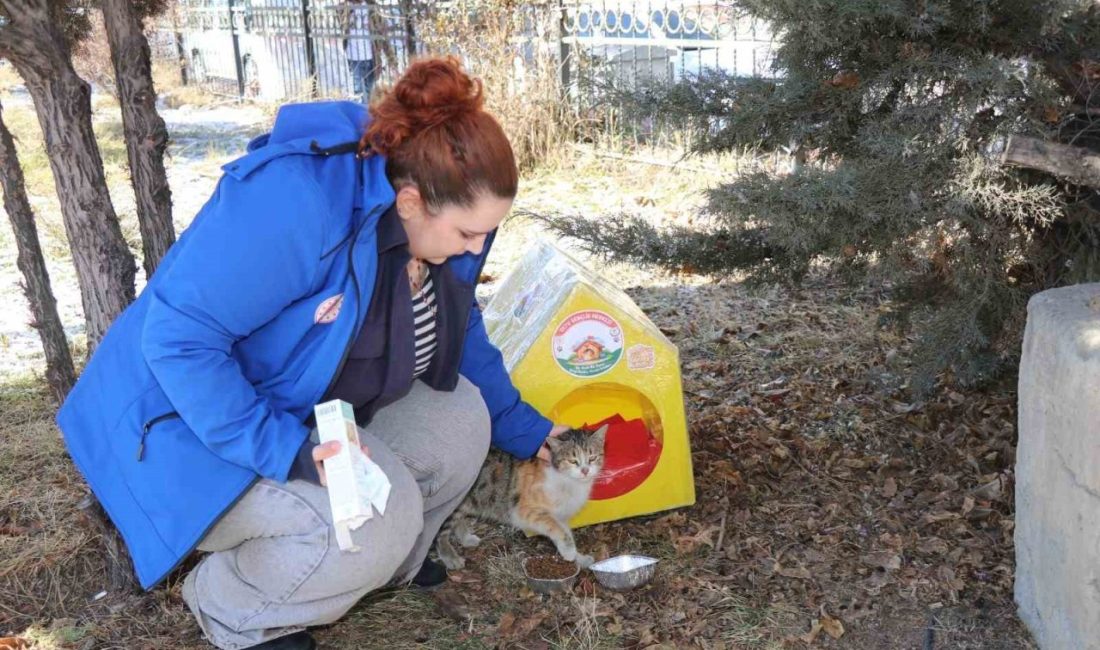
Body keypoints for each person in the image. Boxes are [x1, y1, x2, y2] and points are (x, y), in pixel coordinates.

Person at [56, 57, 568, 650]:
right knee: (382, 518)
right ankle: (234, 604)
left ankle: (373, 562)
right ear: (408, 203)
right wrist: (289, 450)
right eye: (467, 235)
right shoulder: (297, 203)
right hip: (183, 427)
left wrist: (531, 432)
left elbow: (462, 328)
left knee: (462, 421)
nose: (477, 249)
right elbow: (179, 343)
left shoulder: (448, 217)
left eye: (486, 233)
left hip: (299, 403)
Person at [343, 0, 377, 103]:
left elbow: (381, 34)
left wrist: (392, 61)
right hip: (353, 58)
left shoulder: (372, 7)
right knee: (358, 93)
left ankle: (369, 116)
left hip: (370, 57)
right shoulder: (345, 8)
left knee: (370, 93)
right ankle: (362, 117)